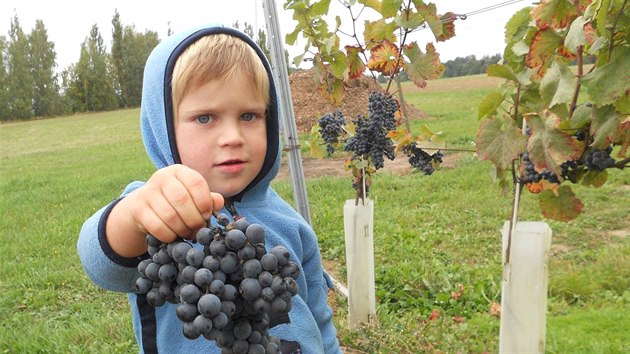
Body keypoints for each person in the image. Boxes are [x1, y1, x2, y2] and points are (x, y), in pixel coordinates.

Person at [77, 23, 341, 354]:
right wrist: (132, 216)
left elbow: (320, 318)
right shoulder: (157, 207)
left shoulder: (290, 222)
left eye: (249, 115)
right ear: (164, 128)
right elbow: (100, 263)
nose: (232, 136)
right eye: (205, 118)